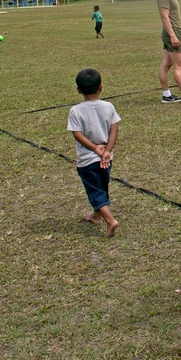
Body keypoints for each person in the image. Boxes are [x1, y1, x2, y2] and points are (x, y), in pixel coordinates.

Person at [67, 68, 121, 237]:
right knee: (102, 187)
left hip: (87, 160)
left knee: (94, 191)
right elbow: (114, 130)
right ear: (101, 87)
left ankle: (110, 220)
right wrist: (107, 151)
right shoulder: (108, 106)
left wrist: (94, 148)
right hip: (106, 158)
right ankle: (96, 216)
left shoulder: (75, 111)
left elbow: (77, 134)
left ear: (78, 90)